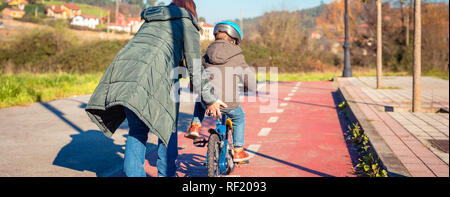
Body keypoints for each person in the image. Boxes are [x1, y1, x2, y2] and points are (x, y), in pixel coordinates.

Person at [85, 0, 227, 177]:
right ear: (192, 11)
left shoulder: (151, 20)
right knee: (168, 128)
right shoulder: (186, 22)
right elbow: (195, 66)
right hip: (155, 76)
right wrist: (210, 99)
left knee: (137, 131)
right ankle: (166, 174)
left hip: (123, 71)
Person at [184, 21, 257, 163]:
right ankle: (238, 150)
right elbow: (249, 79)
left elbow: (197, 74)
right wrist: (249, 88)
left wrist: (193, 87)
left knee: (200, 101)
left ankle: (195, 126)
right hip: (228, 103)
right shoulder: (237, 55)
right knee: (239, 117)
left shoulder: (207, 54)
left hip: (208, 101)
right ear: (234, 40)